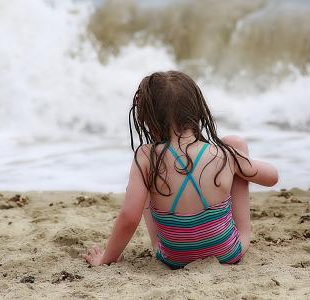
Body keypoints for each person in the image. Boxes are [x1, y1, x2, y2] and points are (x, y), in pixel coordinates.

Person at [82, 71, 278, 269]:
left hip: (172, 258)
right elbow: (272, 177)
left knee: (147, 175)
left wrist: (106, 259)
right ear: (198, 111)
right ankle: (243, 234)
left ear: (149, 119)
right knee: (236, 145)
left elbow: (129, 217)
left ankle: (164, 243)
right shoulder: (223, 154)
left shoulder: (146, 156)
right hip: (229, 252)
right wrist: (238, 160)